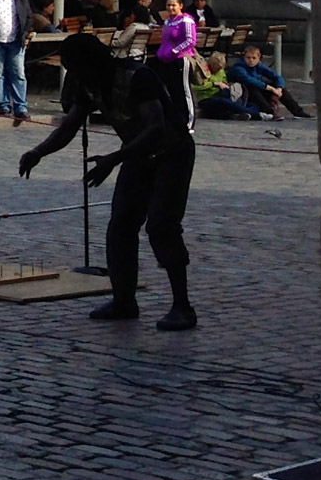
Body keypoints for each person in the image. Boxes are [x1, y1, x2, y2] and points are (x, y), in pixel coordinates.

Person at [21, 33, 198, 329]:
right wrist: (38, 152)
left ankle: (183, 306)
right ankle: (124, 300)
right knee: (121, 226)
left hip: (172, 153)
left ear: (89, 62)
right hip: (137, 154)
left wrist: (112, 161)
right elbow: (70, 126)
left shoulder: (137, 77)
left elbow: (155, 127)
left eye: (74, 67)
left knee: (162, 226)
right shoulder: (89, 84)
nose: (72, 75)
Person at [227, 41, 308, 118]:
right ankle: (270, 112)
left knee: (281, 90)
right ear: (244, 57)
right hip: (244, 92)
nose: (251, 60)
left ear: (259, 58)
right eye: (248, 58)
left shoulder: (258, 65)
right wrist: (271, 89)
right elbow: (249, 80)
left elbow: (277, 76)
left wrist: (279, 88)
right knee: (253, 89)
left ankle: (298, 112)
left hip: (259, 89)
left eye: (254, 58)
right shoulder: (239, 68)